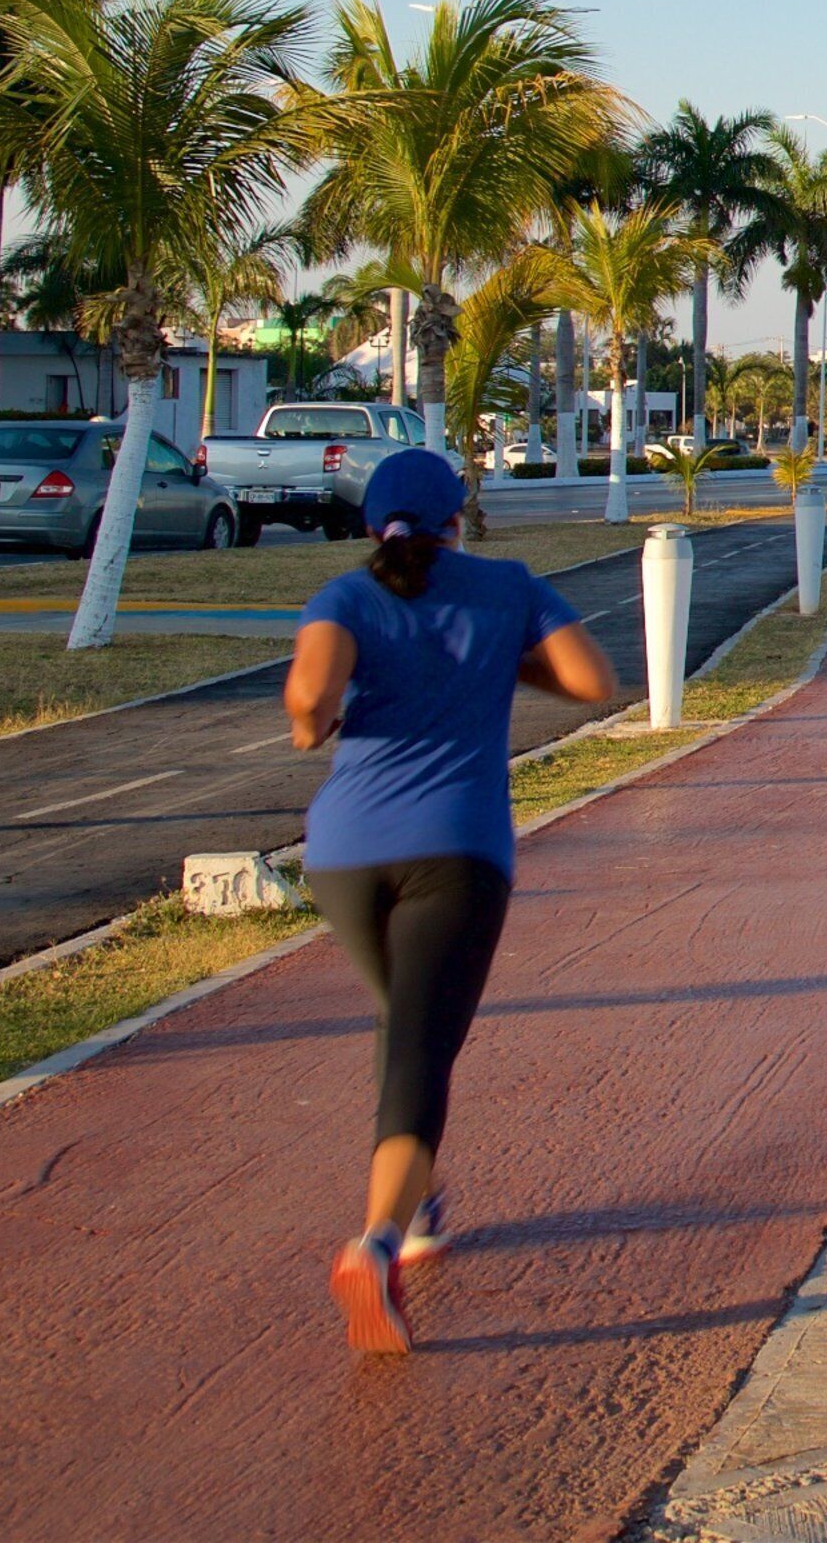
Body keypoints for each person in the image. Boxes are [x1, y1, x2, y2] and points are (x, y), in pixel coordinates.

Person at [286, 448, 617, 1356]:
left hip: (344, 854)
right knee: (423, 1048)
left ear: (372, 526)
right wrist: (497, 667)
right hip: (458, 852)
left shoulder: (346, 596)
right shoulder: (507, 584)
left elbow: (310, 700)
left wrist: (316, 722)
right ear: (456, 519)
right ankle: (377, 1241)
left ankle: (420, 1199)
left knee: (406, 1019)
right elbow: (594, 680)